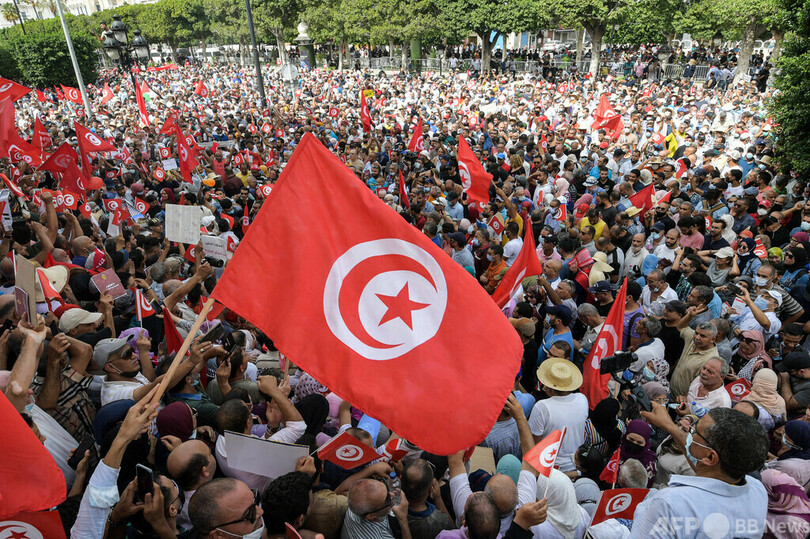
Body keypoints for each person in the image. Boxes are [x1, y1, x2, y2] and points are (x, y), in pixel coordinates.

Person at [632, 406, 769, 537]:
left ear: (710, 457)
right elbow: (702, 463)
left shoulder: (669, 505)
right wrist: (669, 425)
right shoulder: (756, 489)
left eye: (695, 431)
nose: (690, 433)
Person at [528, 358, 589, 474]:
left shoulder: (542, 407)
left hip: (549, 468)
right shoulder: (582, 399)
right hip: (576, 466)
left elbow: (533, 445)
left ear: (548, 386)